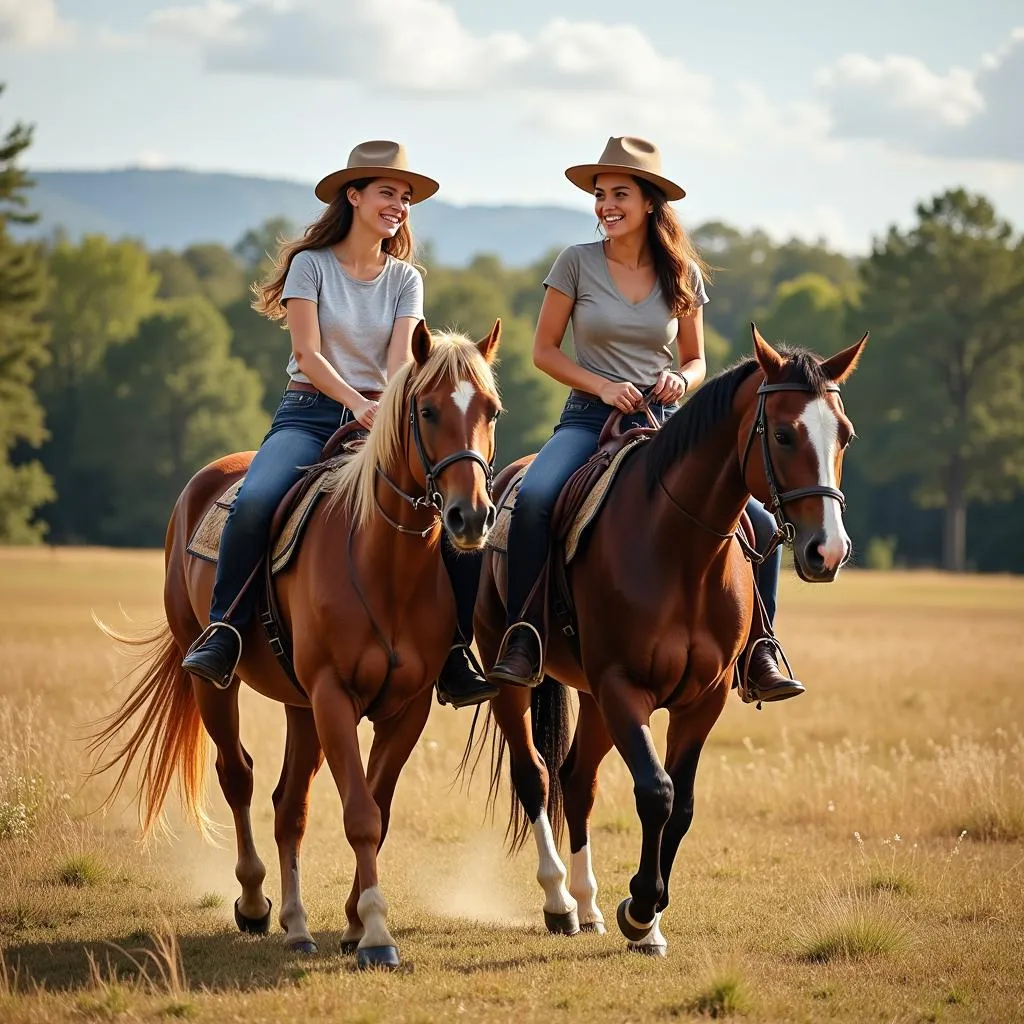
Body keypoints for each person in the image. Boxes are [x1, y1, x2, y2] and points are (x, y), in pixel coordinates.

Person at [486, 136, 804, 704]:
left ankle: (760, 648)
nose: (606, 205)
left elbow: (697, 358)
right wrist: (604, 385)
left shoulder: (680, 272)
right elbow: (544, 351)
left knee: (759, 521)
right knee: (533, 498)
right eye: (600, 195)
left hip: (669, 423)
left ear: (650, 202)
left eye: (620, 194)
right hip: (589, 417)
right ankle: (525, 635)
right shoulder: (575, 262)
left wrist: (683, 380)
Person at [181, 140, 496, 709]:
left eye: (405, 197)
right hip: (311, 411)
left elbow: (404, 359)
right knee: (255, 499)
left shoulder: (405, 279)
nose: (398, 204)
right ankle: (225, 628)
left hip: (386, 418)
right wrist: (355, 402)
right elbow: (307, 353)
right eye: (387, 193)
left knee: (452, 515)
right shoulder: (311, 266)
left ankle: (453, 649)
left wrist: (384, 407)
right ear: (353, 196)